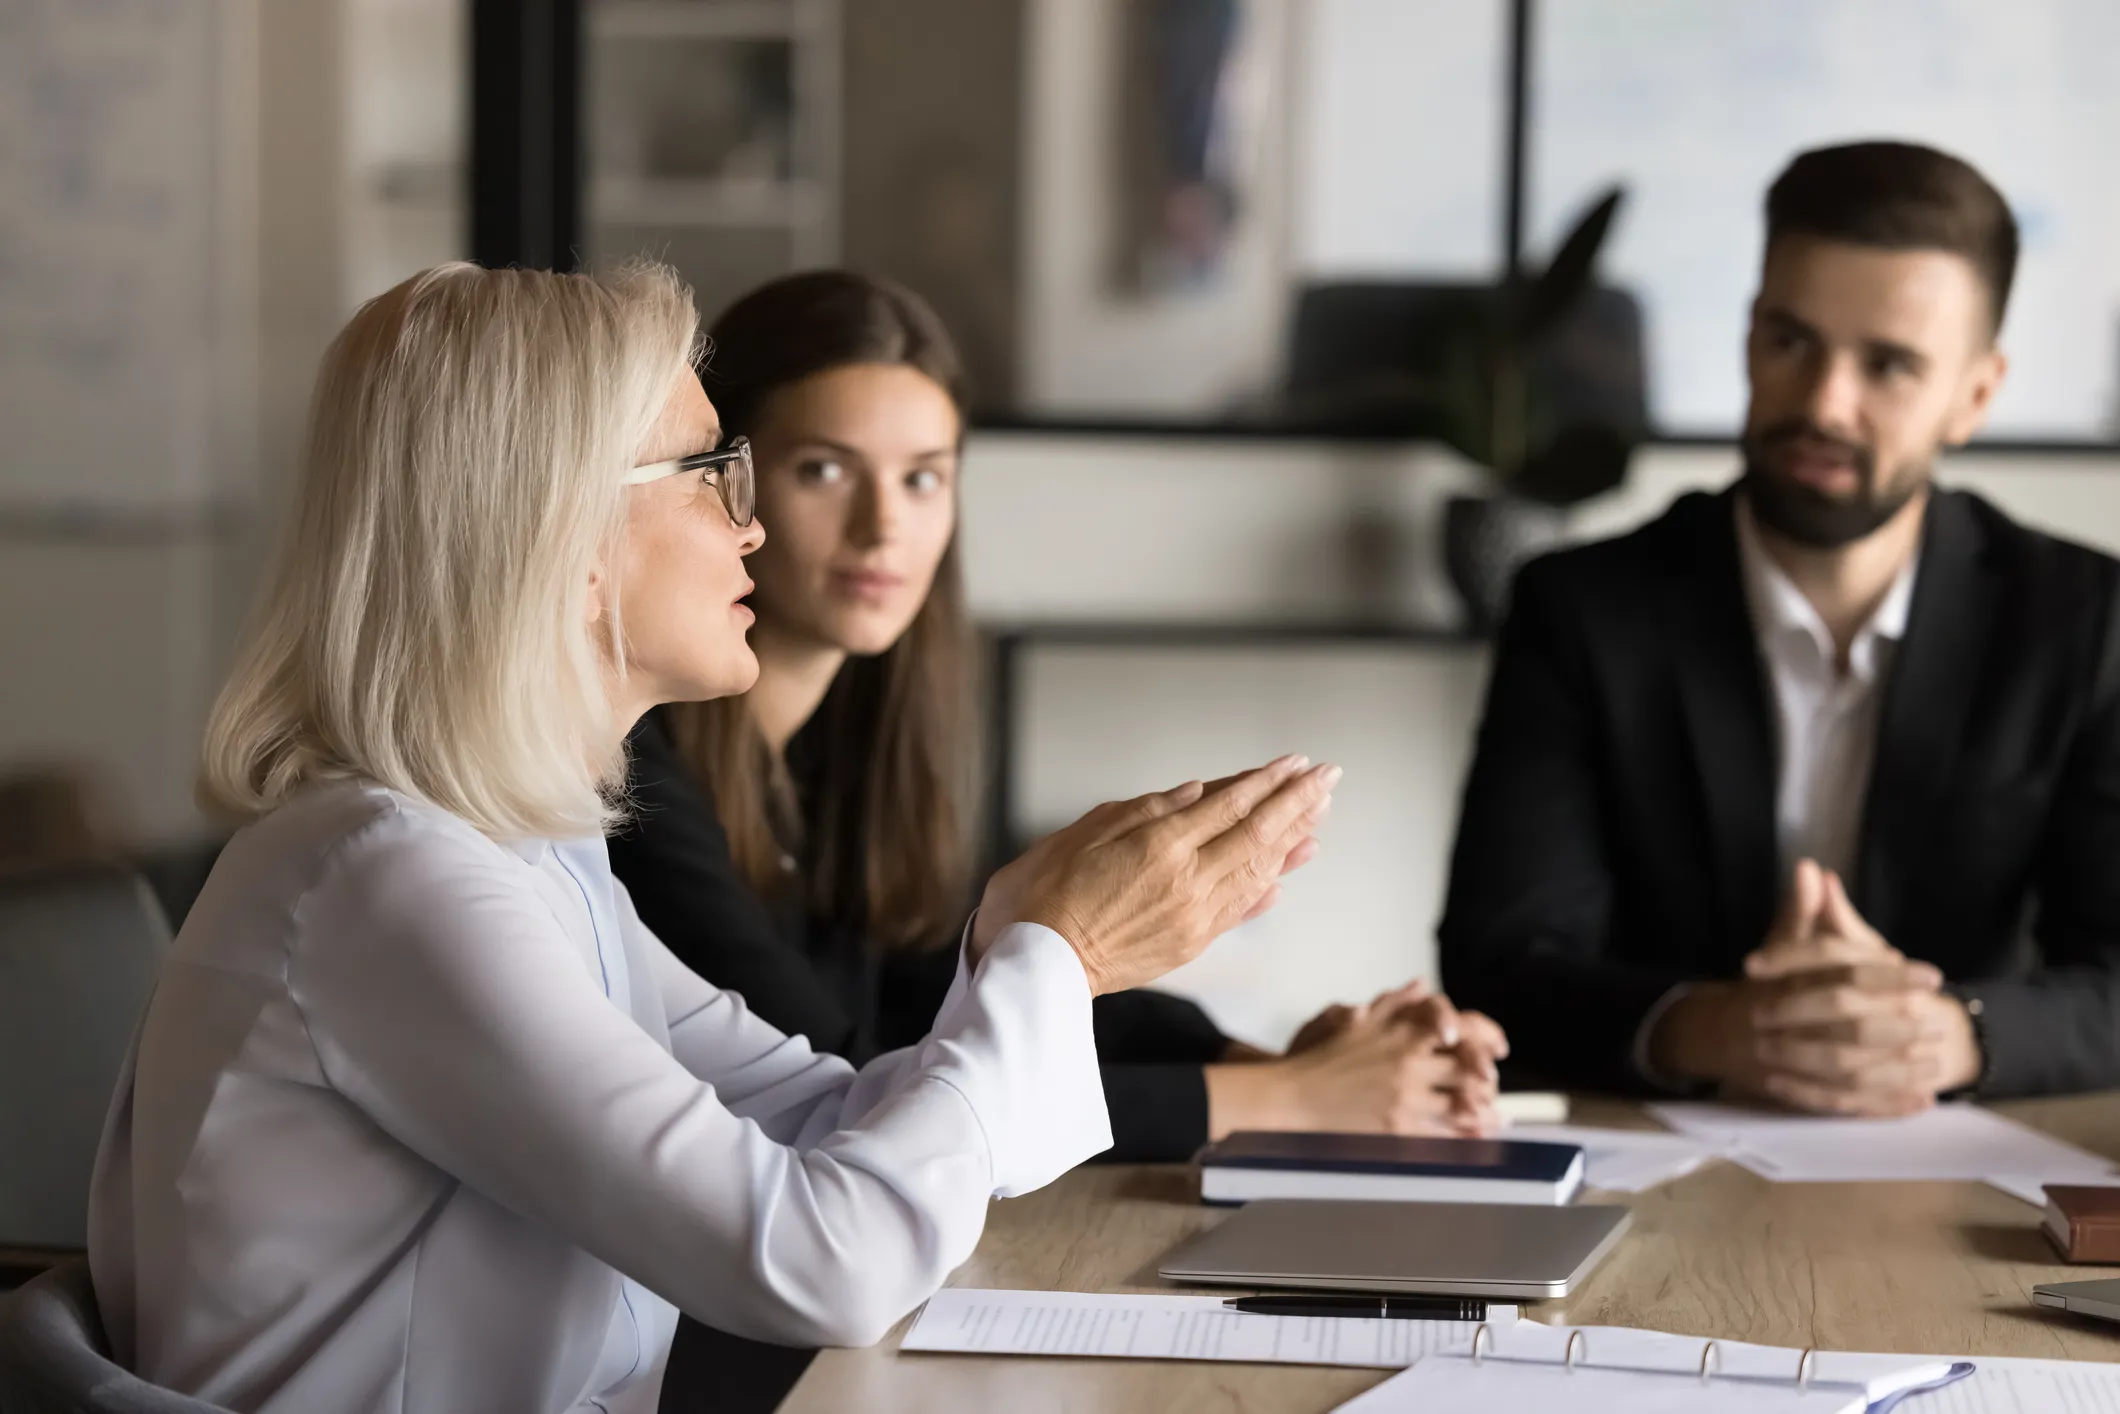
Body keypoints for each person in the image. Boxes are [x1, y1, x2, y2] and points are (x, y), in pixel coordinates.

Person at [85, 261, 1337, 1414]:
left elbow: (816, 1107)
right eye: (709, 473)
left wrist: (1023, 940)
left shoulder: (523, 854)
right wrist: (1056, 954)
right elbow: (816, 1260)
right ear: (556, 531)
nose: (747, 527)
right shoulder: (388, 882)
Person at [607, 270, 1507, 1165]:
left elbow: (943, 989)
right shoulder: (633, 771)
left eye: (924, 479)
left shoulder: (843, 751)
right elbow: (849, 1083)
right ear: (727, 480)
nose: (884, 527)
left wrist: (1281, 1064)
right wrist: (1285, 1099)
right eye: (826, 470)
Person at [1440, 139, 2120, 1116]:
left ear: (1972, 395)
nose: (1820, 403)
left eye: (1886, 365)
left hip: (1955, 1173)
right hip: (1651, 1176)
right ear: (1747, 335)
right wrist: (1711, 1026)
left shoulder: (2081, 621)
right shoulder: (1584, 609)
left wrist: (1954, 1032)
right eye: (1789, 340)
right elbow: (1496, 964)